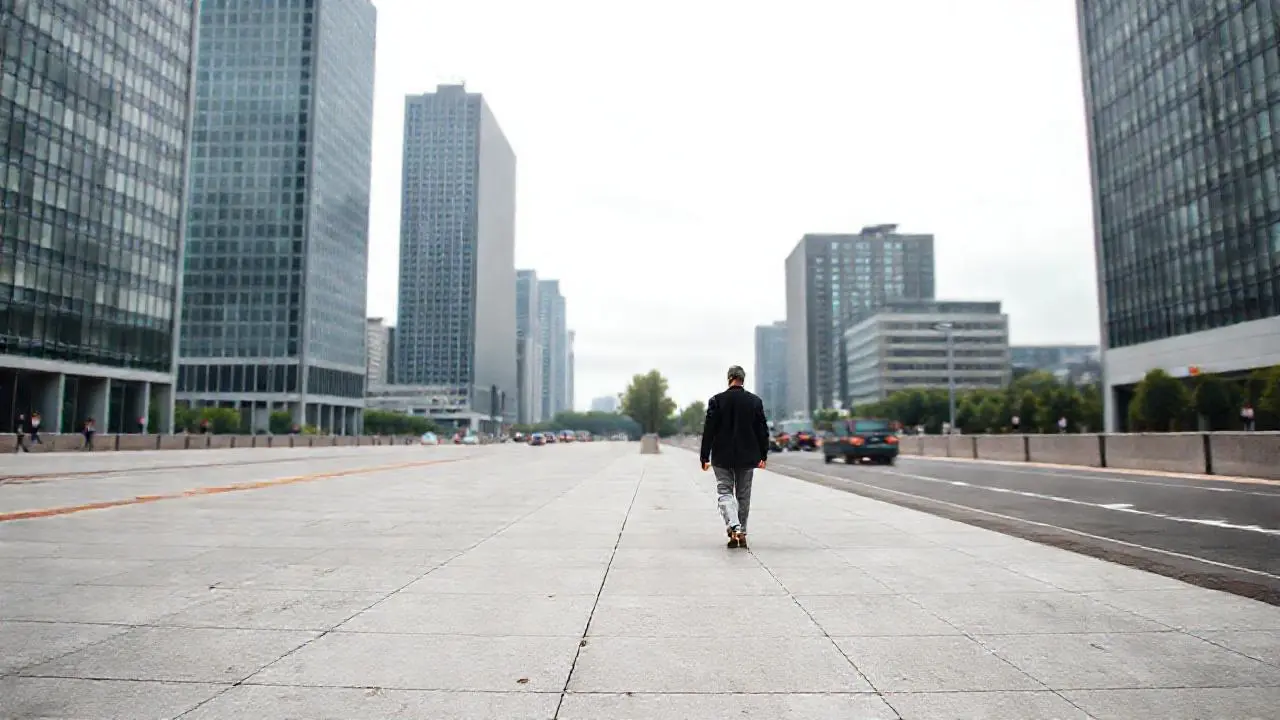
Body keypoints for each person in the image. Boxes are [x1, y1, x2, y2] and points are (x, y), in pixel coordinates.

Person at [700, 365, 770, 549]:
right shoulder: (754, 401)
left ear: (729, 378)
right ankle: (741, 532)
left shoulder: (716, 400)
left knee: (724, 492)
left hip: (722, 456)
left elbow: (709, 430)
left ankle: (734, 527)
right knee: (743, 495)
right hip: (747, 456)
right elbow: (762, 430)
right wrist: (763, 454)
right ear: (743, 379)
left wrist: (704, 456)